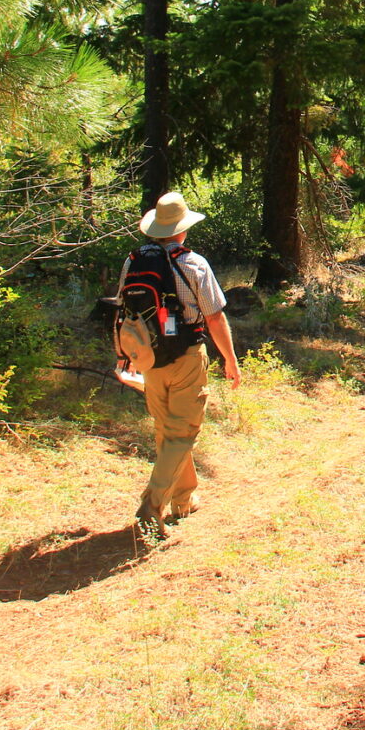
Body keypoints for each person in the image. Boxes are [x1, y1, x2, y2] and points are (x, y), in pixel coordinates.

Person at [118, 191, 241, 542]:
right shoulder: (194, 263)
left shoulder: (132, 262)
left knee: (167, 429)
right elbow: (215, 318)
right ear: (182, 230)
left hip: (149, 359)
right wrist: (230, 360)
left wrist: (125, 357)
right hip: (186, 356)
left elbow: (125, 315)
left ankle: (183, 500)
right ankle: (151, 505)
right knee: (183, 431)